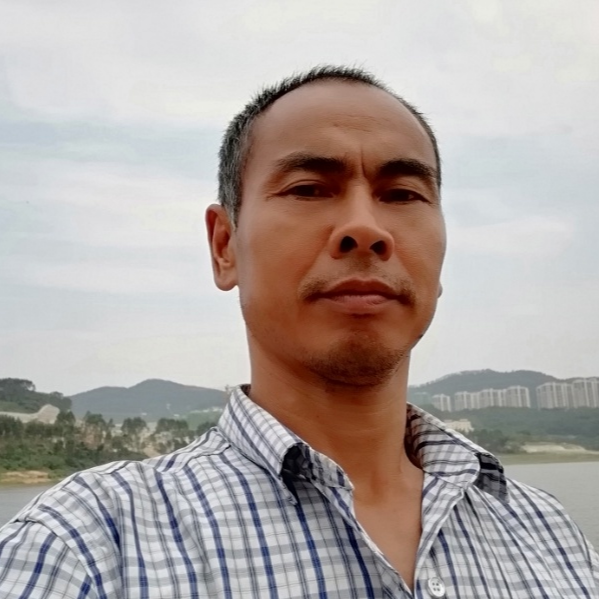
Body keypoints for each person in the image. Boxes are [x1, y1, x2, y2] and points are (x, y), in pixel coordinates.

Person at [0, 65, 597, 599]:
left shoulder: (551, 538)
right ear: (225, 246)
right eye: (309, 189)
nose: (365, 229)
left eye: (403, 194)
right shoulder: (86, 547)